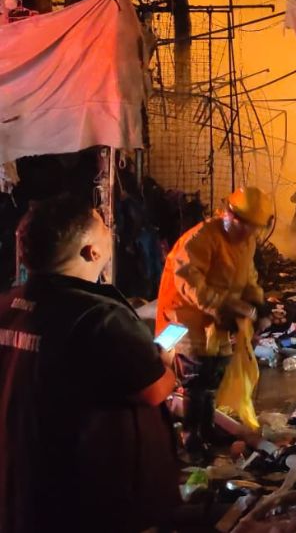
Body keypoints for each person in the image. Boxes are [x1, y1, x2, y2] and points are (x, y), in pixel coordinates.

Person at [0, 196, 179, 532]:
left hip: (23, 488)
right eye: (104, 228)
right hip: (90, 499)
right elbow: (154, 390)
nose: (110, 233)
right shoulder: (100, 317)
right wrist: (164, 358)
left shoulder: (8, 305)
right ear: (91, 252)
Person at [156, 186, 272, 458]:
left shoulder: (245, 241)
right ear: (228, 212)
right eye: (243, 224)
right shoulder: (201, 238)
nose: (247, 231)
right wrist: (220, 306)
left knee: (211, 375)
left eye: (253, 227)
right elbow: (188, 282)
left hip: (211, 322)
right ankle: (191, 436)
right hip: (179, 320)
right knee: (194, 380)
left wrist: (256, 301)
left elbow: (247, 276)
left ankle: (205, 428)